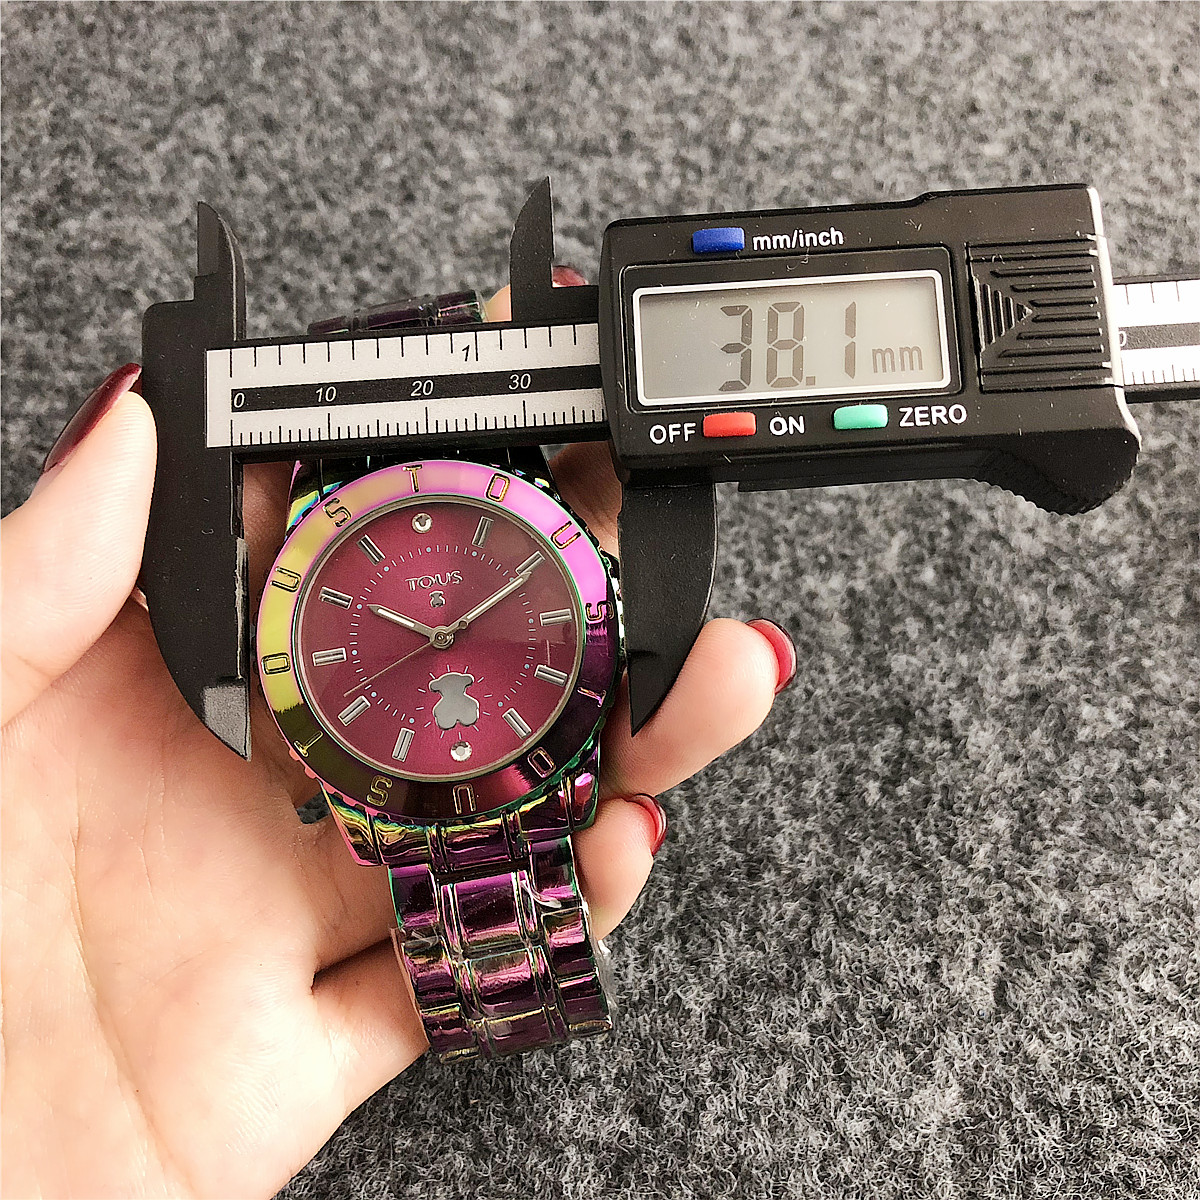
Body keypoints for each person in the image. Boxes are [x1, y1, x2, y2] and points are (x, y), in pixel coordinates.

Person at [0, 281, 796, 1199]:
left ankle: (512, 979)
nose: (443, 637)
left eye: (450, 632)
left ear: (606, 605)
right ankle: (510, 980)